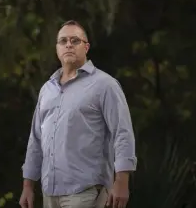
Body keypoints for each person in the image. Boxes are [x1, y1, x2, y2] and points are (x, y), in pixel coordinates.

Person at [19, 20, 137, 208]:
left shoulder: (105, 85)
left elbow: (122, 133)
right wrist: (28, 185)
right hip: (49, 193)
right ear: (57, 48)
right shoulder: (47, 89)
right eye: (63, 41)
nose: (68, 45)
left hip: (86, 191)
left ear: (86, 47)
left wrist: (121, 181)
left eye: (75, 40)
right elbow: (36, 140)